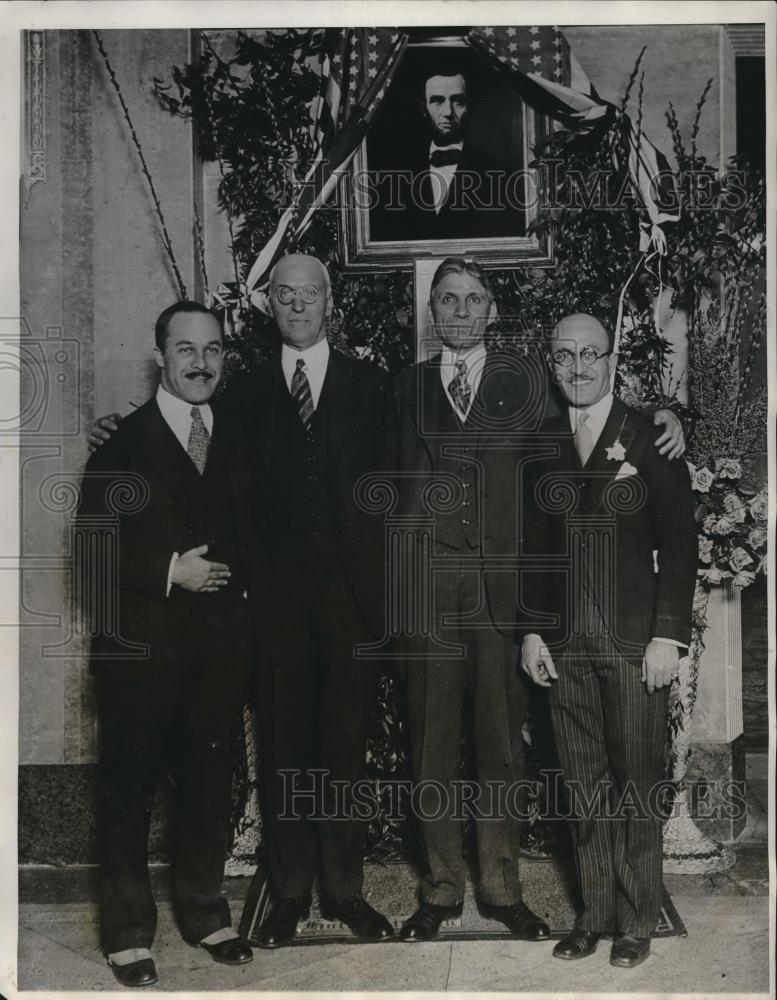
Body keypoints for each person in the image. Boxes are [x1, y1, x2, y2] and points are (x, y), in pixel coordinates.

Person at [91, 256, 397, 947]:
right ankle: (287, 893)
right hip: (268, 608)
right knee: (283, 751)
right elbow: (176, 435)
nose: (298, 305)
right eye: (284, 294)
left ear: (329, 301)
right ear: (269, 305)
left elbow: (399, 489)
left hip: (352, 604)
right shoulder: (242, 392)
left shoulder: (373, 385)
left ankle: (345, 891)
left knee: (344, 750)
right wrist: (114, 432)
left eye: (309, 293)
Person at [393, 261, 686, 943]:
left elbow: (599, 406)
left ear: (492, 309)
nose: (461, 311)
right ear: (432, 310)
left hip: (508, 601)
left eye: (473, 299)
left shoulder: (528, 384)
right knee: (431, 749)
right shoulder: (401, 388)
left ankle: (502, 892)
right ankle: (440, 890)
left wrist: (669, 414)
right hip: (429, 599)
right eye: (447, 300)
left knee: (503, 749)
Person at [78, 302, 254, 988]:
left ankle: (206, 914)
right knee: (129, 794)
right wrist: (169, 571)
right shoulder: (120, 448)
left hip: (217, 652)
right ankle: (126, 936)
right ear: (161, 357)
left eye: (212, 349)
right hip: (141, 651)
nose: (200, 363)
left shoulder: (237, 437)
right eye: (186, 349)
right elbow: (92, 556)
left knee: (208, 787)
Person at [520, 313, 697, 969]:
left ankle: (635, 921)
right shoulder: (542, 442)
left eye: (590, 354)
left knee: (636, 783)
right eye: (564, 355)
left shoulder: (648, 434)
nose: (578, 367)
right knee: (581, 783)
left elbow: (680, 546)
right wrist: (531, 631)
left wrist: (666, 637)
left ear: (611, 359)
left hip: (633, 644)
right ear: (551, 362)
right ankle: (593, 915)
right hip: (564, 645)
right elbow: (533, 548)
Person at [369, 66, 518, 241]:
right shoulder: (396, 173)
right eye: (437, 101)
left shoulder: (498, 174)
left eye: (457, 101)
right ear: (423, 108)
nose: (448, 112)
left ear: (469, 106)